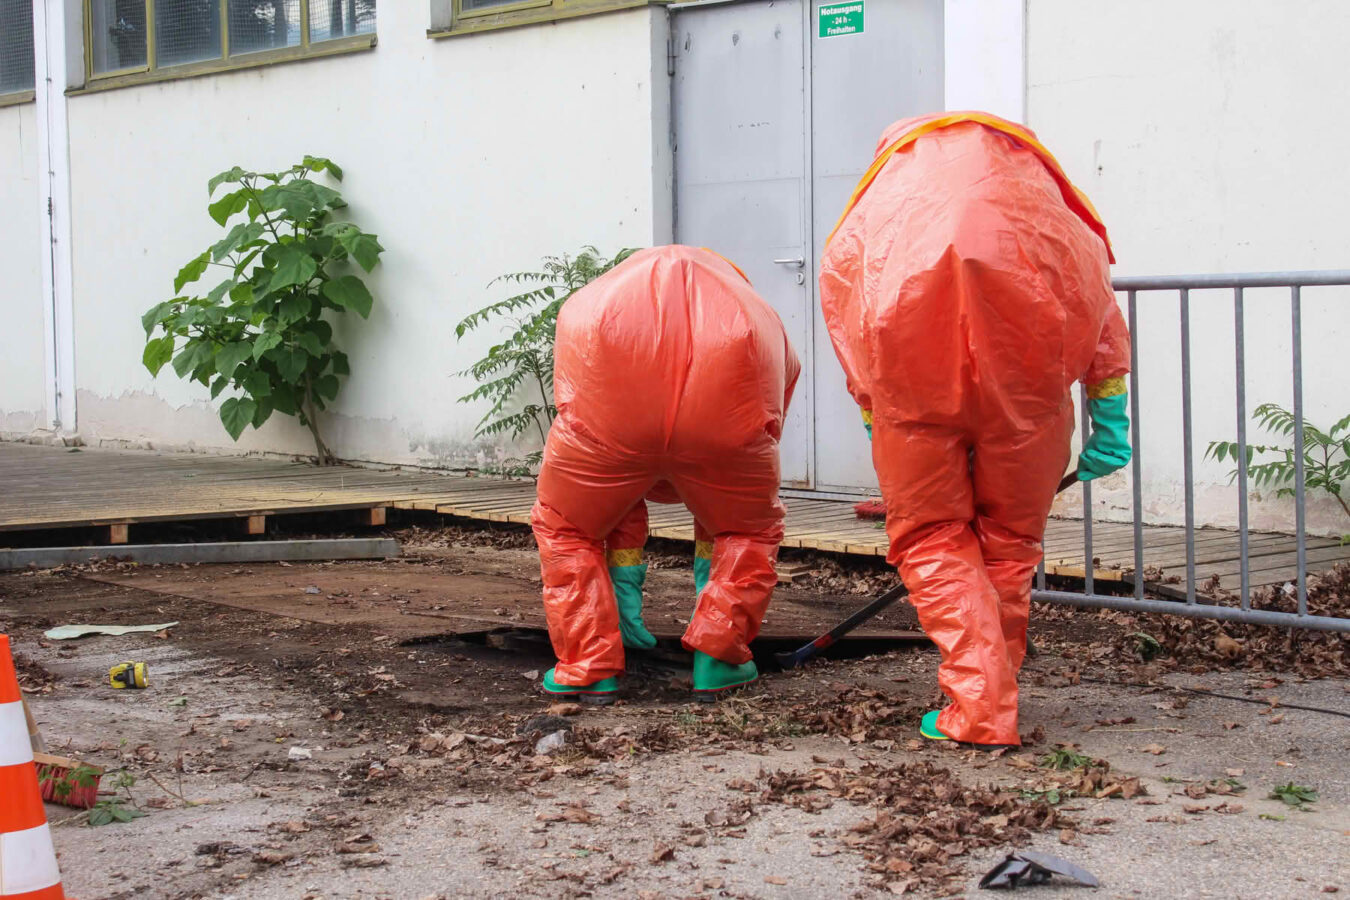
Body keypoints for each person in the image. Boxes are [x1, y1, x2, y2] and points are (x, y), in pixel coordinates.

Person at [818, 112, 1132, 748]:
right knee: (1010, 543)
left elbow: (847, 312)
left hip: (913, 404)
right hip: (1028, 407)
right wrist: (1110, 419)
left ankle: (982, 701)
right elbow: (1100, 313)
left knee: (933, 537)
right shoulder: (1051, 213)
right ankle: (992, 690)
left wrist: (873, 412)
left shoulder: (880, 213)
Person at [531, 245, 801, 703]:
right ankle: (718, 656)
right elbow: (775, 405)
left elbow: (571, 393)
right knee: (745, 530)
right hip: (725, 432)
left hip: (606, 429)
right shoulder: (755, 311)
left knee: (568, 529)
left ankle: (589, 663)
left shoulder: (594, 302)